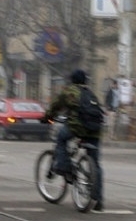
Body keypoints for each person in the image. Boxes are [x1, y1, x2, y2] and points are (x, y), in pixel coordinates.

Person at [43, 69, 104, 211]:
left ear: (72, 80)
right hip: (95, 130)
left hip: (77, 127)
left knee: (61, 138)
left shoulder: (69, 91)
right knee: (95, 164)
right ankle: (98, 199)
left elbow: (55, 107)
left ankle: (64, 168)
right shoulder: (91, 94)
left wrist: (46, 117)